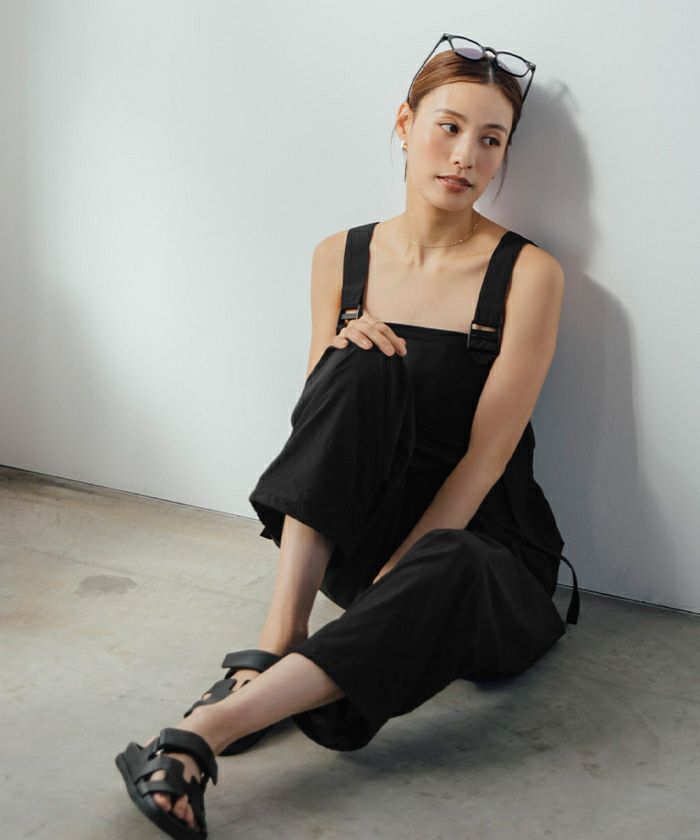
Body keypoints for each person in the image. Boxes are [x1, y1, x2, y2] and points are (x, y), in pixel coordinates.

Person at [115, 32, 580, 839]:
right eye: (448, 126)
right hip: (364, 540)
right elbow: (323, 429)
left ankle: (203, 733)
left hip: (481, 560)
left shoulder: (529, 274)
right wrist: (342, 351)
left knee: (453, 557)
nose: (465, 156)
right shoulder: (342, 255)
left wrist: (395, 587)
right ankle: (281, 638)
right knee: (357, 356)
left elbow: (485, 461)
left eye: (490, 139)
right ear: (404, 124)